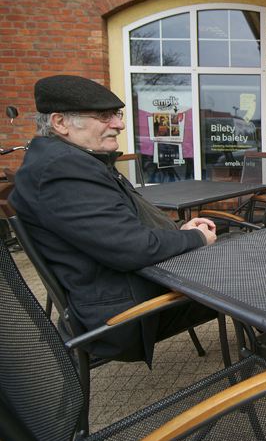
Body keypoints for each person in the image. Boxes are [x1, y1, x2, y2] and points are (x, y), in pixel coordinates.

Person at [9, 75, 219, 366]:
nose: (119, 124)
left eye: (116, 114)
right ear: (60, 123)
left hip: (136, 289)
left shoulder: (73, 160)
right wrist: (195, 238)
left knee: (240, 257)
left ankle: (265, 337)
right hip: (126, 317)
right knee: (247, 273)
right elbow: (132, 247)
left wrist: (179, 230)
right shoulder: (63, 169)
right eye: (104, 116)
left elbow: (121, 226)